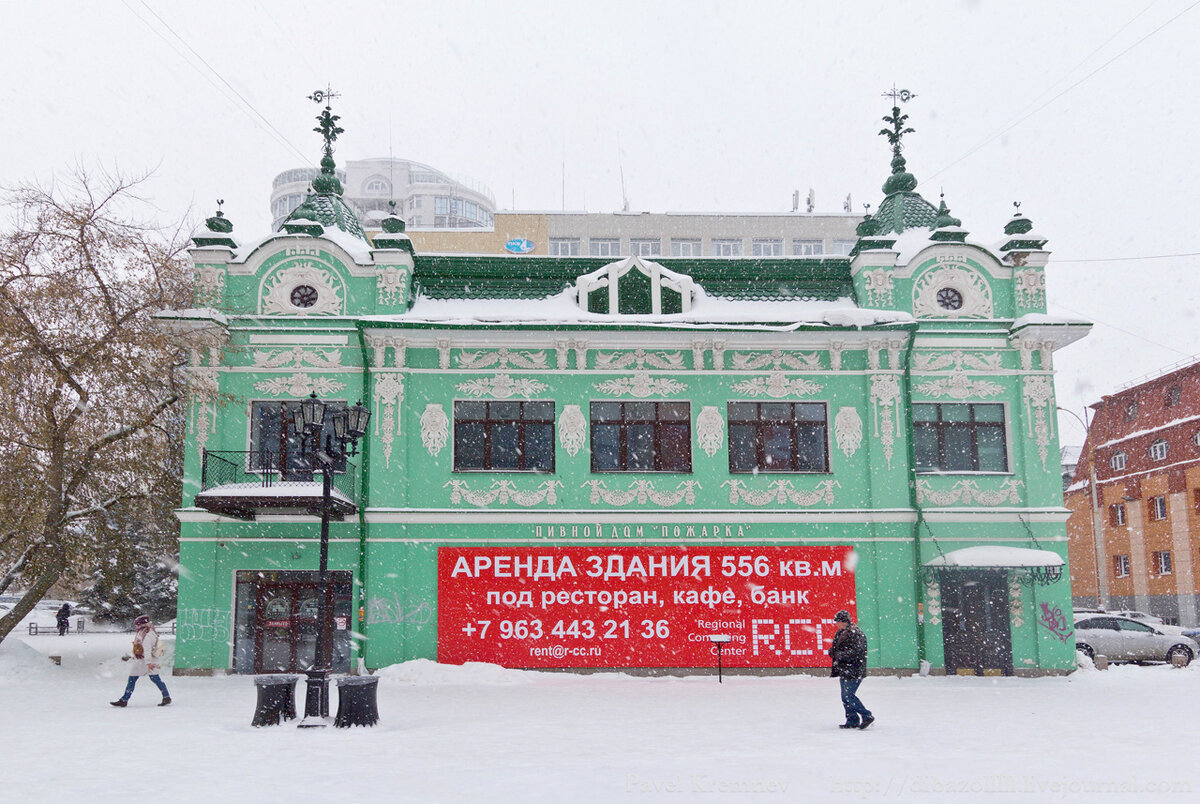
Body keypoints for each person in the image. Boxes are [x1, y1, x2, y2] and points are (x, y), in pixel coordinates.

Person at [110, 615, 171, 707]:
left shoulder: (146, 634)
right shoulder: (147, 631)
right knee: (155, 679)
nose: (136, 626)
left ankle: (124, 699)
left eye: (137, 624)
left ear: (141, 624)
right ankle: (166, 696)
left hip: (143, 661)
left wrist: (148, 663)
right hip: (145, 660)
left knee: (133, 679)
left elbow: (147, 649)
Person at [829, 609, 873, 730]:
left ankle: (866, 715)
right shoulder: (841, 632)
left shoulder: (856, 633)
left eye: (838, 621)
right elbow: (838, 649)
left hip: (854, 670)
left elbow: (857, 652)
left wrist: (839, 654)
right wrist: (833, 652)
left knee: (848, 695)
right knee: (845, 696)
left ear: (844, 621)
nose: (837, 624)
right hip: (845, 669)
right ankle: (852, 720)